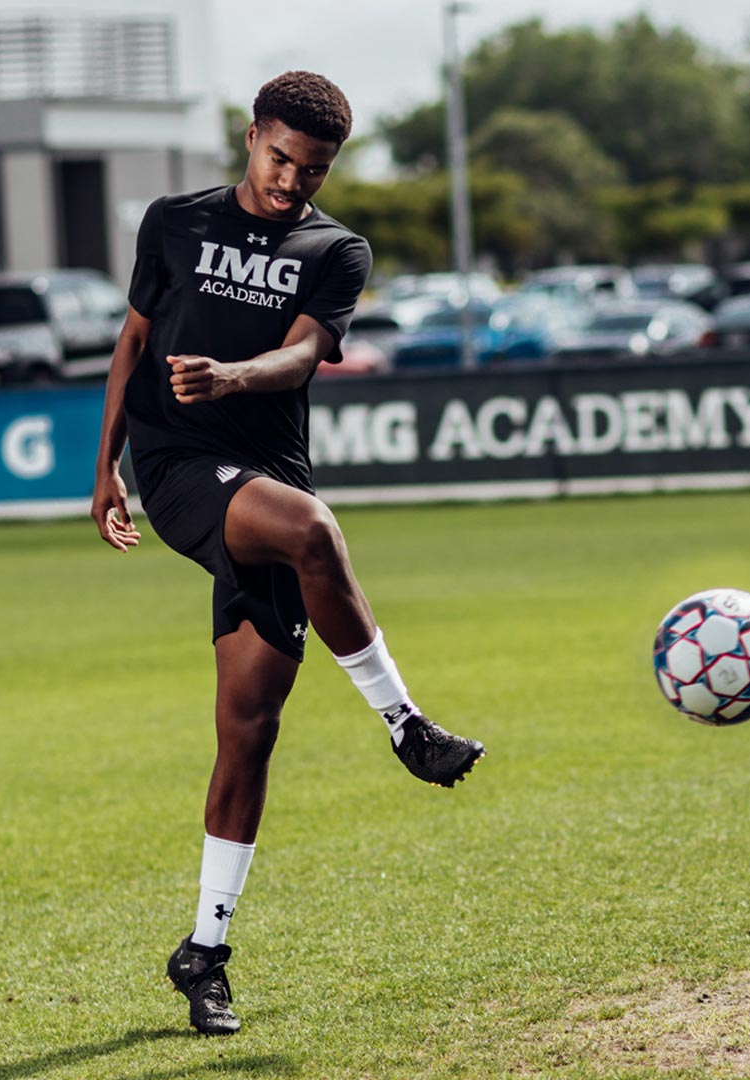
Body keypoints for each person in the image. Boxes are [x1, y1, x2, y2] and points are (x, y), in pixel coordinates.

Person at [90, 71, 486, 1037]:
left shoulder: (334, 248)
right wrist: (104, 468)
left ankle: (204, 952)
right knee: (313, 530)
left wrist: (232, 375)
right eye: (279, 160)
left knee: (249, 729)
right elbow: (134, 339)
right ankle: (406, 724)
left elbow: (306, 356)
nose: (290, 184)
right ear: (252, 136)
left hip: (265, 465)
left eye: (310, 172)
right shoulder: (172, 222)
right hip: (181, 464)